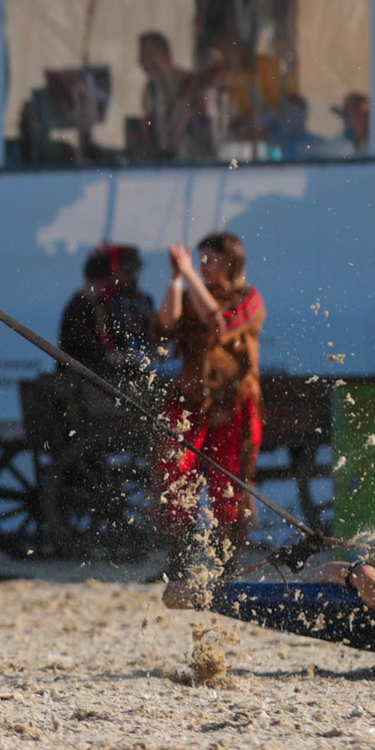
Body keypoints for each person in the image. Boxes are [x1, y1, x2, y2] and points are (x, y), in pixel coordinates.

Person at [155, 232, 266, 594]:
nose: (204, 266)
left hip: (231, 402)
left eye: (211, 259)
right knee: (177, 475)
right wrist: (175, 278)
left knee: (227, 485)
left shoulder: (249, 299)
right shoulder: (191, 294)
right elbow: (166, 325)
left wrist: (187, 274)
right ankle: (179, 560)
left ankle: (227, 560)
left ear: (230, 263)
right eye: (200, 259)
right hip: (192, 399)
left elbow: (221, 322)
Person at [58, 243, 159, 380]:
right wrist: (109, 355)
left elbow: (115, 337)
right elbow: (80, 345)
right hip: (78, 376)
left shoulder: (101, 305)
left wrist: (127, 355)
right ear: (101, 279)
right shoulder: (79, 306)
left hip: (98, 373)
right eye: (109, 279)